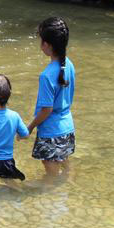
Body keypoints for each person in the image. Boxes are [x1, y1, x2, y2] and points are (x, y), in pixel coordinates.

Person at [27, 16, 76, 177]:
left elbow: (46, 110)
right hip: (67, 128)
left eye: (41, 40)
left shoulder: (47, 75)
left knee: (50, 179)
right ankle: (67, 189)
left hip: (51, 132)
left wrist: (30, 127)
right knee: (65, 166)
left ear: (46, 45)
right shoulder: (69, 64)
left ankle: (51, 198)